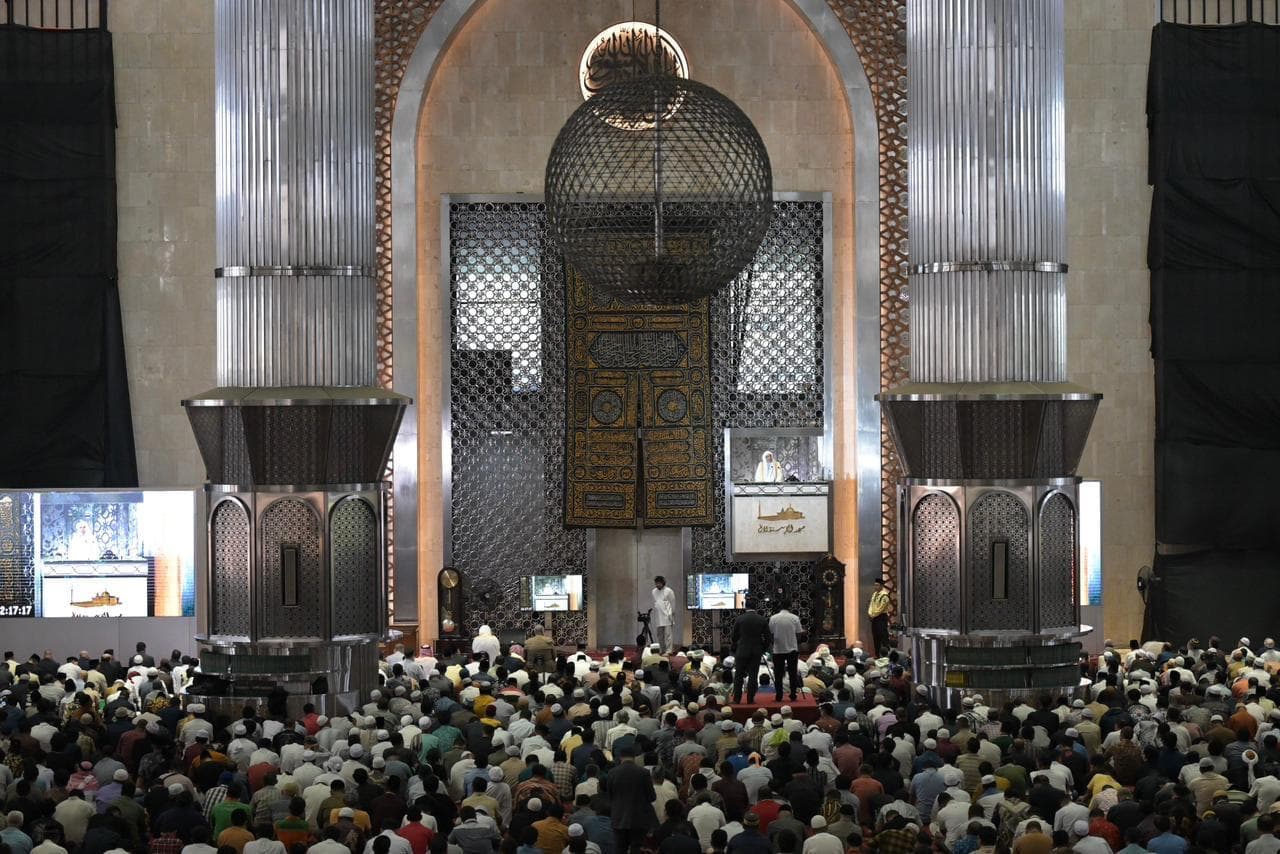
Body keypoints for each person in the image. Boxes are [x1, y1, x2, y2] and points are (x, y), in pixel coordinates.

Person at [731, 601, 771, 704]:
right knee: (753, 675)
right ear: (755, 606)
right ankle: (750, 698)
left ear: (745, 606)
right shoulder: (761, 619)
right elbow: (768, 637)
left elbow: (734, 636)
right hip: (756, 650)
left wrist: (735, 647)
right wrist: (763, 649)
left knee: (739, 675)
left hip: (742, 649)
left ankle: (737, 698)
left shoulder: (740, 619)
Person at [768, 599, 803, 702]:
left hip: (778, 649)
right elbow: (799, 634)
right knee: (792, 673)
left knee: (778, 674)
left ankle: (779, 695)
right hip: (792, 649)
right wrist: (795, 642)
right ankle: (793, 694)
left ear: (780, 606)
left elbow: (770, 634)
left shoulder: (773, 618)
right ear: (790, 607)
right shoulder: (794, 618)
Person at [652, 577, 677, 655]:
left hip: (667, 615)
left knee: (668, 635)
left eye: (659, 583)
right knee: (659, 635)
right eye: (656, 583)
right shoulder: (653, 591)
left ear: (663, 583)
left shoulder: (669, 591)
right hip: (658, 615)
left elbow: (672, 603)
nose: (657, 585)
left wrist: (672, 613)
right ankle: (661, 649)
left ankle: (669, 650)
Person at [867, 578, 891, 656]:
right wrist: (870, 613)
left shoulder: (884, 596)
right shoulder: (874, 594)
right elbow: (871, 605)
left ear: (881, 586)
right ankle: (877, 654)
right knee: (875, 637)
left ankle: (886, 655)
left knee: (883, 637)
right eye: (875, 585)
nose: (875, 587)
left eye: (877, 585)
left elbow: (881, 608)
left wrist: (873, 615)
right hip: (874, 618)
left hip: (881, 617)